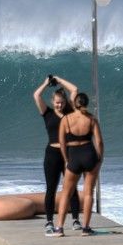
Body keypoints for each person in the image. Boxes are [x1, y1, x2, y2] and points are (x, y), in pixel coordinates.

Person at [48, 92, 102, 237]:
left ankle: (59, 228)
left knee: (66, 193)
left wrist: (66, 160)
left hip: (74, 157)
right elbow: (99, 142)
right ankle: (86, 228)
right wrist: (100, 159)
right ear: (86, 103)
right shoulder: (91, 119)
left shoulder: (66, 119)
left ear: (74, 104)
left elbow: (62, 143)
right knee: (88, 192)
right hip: (89, 154)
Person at [33, 74, 82, 236]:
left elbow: (74, 89)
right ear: (53, 102)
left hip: (68, 154)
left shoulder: (70, 112)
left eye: (61, 102)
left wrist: (60, 80)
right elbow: (36, 95)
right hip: (52, 155)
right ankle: (49, 221)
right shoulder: (47, 113)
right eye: (57, 103)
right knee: (51, 189)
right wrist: (46, 83)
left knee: (72, 188)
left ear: (65, 102)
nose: (59, 105)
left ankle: (75, 219)